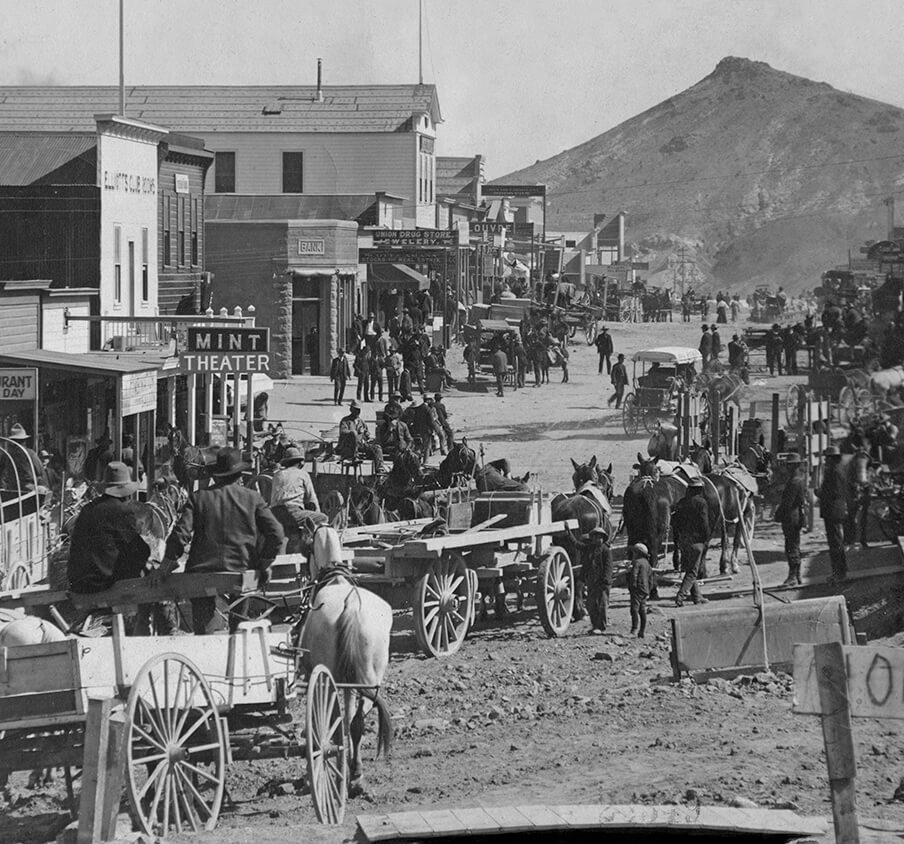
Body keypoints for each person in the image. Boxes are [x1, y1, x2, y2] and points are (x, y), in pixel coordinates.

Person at [159, 448, 284, 634]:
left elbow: (180, 535)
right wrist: (265, 563)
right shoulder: (253, 498)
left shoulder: (199, 497)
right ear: (239, 475)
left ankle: (207, 642)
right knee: (239, 626)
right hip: (241, 570)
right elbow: (277, 533)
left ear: (216, 476)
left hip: (202, 573)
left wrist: (165, 566)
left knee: (204, 631)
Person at [673, 477, 711, 604]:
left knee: (690, 568)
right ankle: (681, 596)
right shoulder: (701, 503)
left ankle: (697, 597)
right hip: (697, 541)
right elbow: (704, 523)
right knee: (692, 572)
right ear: (700, 489)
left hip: (684, 541)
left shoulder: (682, 502)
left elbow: (675, 523)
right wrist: (706, 538)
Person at [817, 445, 848, 584]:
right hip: (835, 510)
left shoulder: (834, 472)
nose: (825, 461)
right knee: (836, 542)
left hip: (833, 511)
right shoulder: (838, 470)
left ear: (832, 458)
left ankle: (839, 573)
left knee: (835, 543)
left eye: (827, 458)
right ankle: (840, 571)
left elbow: (834, 493)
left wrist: (820, 494)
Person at [775, 453, 807, 586]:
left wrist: (778, 514)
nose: (787, 467)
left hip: (791, 517)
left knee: (791, 546)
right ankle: (797, 576)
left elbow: (787, 503)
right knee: (795, 545)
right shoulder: (798, 479)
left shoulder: (794, 482)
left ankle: (792, 577)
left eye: (789, 465)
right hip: (796, 515)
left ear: (793, 466)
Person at [337, 400, 386, 472]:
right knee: (353, 434)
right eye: (355, 410)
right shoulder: (345, 420)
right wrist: (353, 432)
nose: (357, 412)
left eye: (358, 410)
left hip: (361, 444)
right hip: (349, 446)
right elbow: (342, 431)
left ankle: (380, 468)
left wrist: (366, 434)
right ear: (351, 409)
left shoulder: (361, 421)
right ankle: (355, 457)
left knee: (377, 447)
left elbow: (366, 433)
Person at [1, 422, 48, 493]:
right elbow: (41, 473)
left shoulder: (6, 455)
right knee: (43, 489)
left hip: (11, 488)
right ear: (24, 441)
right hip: (27, 488)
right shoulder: (30, 454)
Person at [270, 447, 319, 513]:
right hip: (293, 512)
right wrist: (317, 512)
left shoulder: (277, 474)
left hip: (276, 512)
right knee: (323, 518)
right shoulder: (303, 474)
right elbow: (311, 498)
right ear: (299, 463)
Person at [627, 543, 653, 638]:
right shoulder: (647, 564)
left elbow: (634, 575)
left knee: (634, 609)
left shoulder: (637, 562)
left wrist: (632, 587)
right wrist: (649, 590)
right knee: (642, 610)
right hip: (645, 590)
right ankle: (642, 630)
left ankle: (634, 629)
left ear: (637, 553)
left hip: (637, 589)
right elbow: (651, 578)